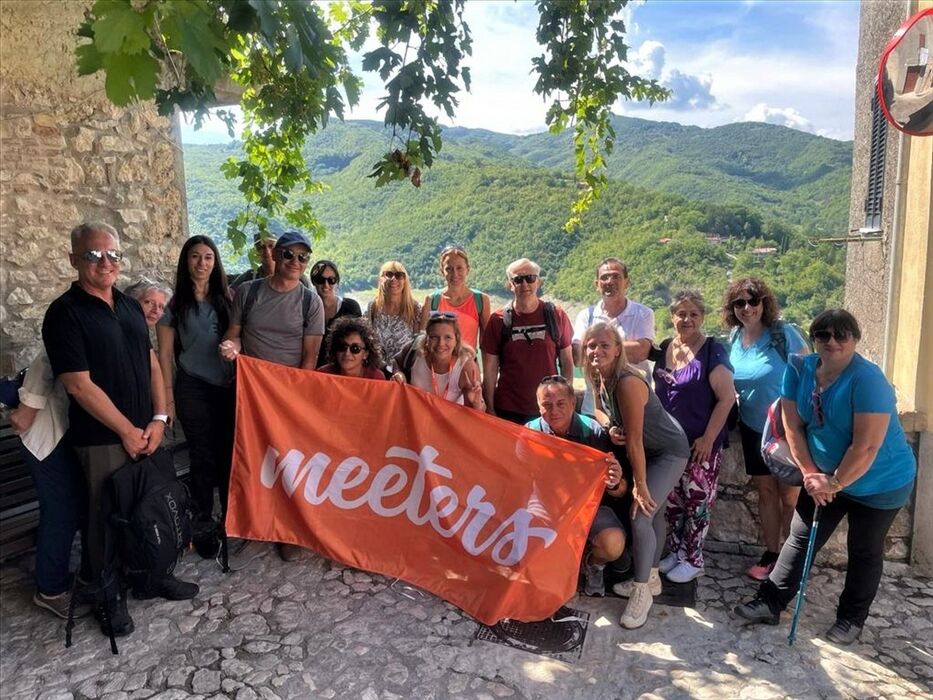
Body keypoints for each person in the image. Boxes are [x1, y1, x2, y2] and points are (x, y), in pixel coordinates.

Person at [42, 222, 197, 637]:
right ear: (74, 259)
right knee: (103, 521)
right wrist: (128, 430)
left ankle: (154, 572)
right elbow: (78, 383)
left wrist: (160, 418)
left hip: (147, 431)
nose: (105, 262)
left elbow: (149, 363)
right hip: (102, 440)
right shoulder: (65, 314)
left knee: (151, 505)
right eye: (94, 255)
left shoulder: (128, 307)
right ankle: (107, 596)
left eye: (113, 255)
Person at [735, 310, 916, 646]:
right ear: (814, 339)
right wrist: (810, 474)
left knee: (863, 549)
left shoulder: (868, 380)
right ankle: (770, 601)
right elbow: (792, 426)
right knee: (800, 538)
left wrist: (835, 483)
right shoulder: (800, 368)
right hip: (822, 477)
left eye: (841, 335)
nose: (831, 342)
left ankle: (851, 619)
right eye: (823, 335)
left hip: (881, 482)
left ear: (855, 339)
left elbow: (866, 446)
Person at [220, 230, 324, 561]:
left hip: (288, 394)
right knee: (252, 459)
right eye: (289, 255)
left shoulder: (310, 301)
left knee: (289, 462)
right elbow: (234, 337)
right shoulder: (249, 294)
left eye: (302, 257)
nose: (295, 262)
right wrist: (229, 347)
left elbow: (310, 357)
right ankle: (255, 526)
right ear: (276, 256)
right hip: (250, 393)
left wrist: (297, 399)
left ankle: (288, 530)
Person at [583, 321, 690, 629]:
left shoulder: (628, 381)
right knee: (653, 515)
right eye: (591, 345)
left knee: (641, 513)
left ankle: (641, 591)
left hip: (667, 451)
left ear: (618, 350)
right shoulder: (597, 374)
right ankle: (652, 576)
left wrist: (640, 485)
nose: (597, 351)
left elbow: (635, 440)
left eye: (605, 345)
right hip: (649, 447)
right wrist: (609, 426)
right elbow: (601, 410)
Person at [724, 277, 809, 581]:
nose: (747, 308)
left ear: (764, 303)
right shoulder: (733, 338)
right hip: (752, 428)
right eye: (740, 303)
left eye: (753, 301)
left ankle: (791, 558)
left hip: (787, 429)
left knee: (790, 497)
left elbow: (808, 373)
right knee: (766, 493)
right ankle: (772, 553)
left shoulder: (783, 334)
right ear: (732, 308)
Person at [156, 235, 235, 559]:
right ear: (185, 261)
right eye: (194, 257)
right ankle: (204, 517)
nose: (201, 263)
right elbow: (163, 357)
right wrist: (168, 401)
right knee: (202, 454)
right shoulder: (174, 305)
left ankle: (231, 516)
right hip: (192, 385)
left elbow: (240, 336)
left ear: (215, 263)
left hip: (227, 386)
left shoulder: (228, 299)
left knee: (229, 451)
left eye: (207, 257)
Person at [652, 291, 735, 583]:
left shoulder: (713, 351)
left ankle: (694, 558)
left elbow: (726, 398)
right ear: (672, 316)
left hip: (700, 445)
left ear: (702, 317)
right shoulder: (665, 348)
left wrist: (708, 438)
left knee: (697, 502)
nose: (687, 319)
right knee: (673, 502)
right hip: (669, 444)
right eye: (681, 314)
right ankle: (676, 552)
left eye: (693, 314)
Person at [525, 375, 627, 597]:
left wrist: (616, 480)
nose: (554, 411)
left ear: (573, 402)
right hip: (547, 505)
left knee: (613, 544)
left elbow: (620, 490)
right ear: (538, 406)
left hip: (588, 506)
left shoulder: (594, 431)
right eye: (547, 405)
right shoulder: (529, 434)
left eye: (561, 403)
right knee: (527, 542)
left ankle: (593, 565)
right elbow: (517, 481)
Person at [9, 352, 89, 620]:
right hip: (46, 435)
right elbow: (48, 360)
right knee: (60, 512)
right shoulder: (68, 323)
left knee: (70, 508)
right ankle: (50, 590)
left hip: (60, 433)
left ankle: (55, 577)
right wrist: (28, 409)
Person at [481, 258, 574, 425]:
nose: (524, 284)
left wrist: (567, 401)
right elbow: (489, 370)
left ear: (537, 281)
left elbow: (567, 361)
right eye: (517, 279)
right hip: (508, 409)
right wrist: (490, 407)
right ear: (510, 284)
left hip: (548, 409)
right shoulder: (498, 320)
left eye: (530, 278)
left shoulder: (556, 315)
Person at [573, 258, 655, 415]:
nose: (610, 281)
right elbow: (578, 355)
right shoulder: (586, 316)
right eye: (604, 277)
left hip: (634, 409)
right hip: (594, 408)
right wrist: (617, 349)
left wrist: (594, 349)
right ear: (596, 284)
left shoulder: (643, 313)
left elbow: (641, 353)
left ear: (627, 282)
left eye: (616, 276)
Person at [392, 312, 484, 409]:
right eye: (434, 337)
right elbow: (397, 361)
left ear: (456, 339)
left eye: (447, 337)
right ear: (426, 339)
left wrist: (476, 404)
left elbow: (475, 415)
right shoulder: (415, 351)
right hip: (415, 419)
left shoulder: (466, 368)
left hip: (447, 422)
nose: (441, 343)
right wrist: (399, 374)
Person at [419, 246, 491, 353]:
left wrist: (486, 369)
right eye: (449, 269)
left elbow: (487, 343)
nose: (455, 274)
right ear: (442, 271)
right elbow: (422, 341)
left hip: (467, 364)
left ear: (468, 269)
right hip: (439, 365)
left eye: (459, 268)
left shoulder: (480, 300)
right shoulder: (432, 300)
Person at [367, 261, 422, 366]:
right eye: (388, 274)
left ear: (405, 281)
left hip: (404, 373)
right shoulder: (372, 307)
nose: (393, 279)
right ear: (381, 279)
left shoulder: (415, 309)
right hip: (378, 372)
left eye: (399, 275)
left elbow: (418, 348)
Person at [309, 259, 362, 368]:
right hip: (313, 369)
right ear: (314, 281)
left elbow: (359, 342)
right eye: (320, 280)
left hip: (342, 370)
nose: (326, 285)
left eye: (331, 280)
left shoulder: (350, 308)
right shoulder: (306, 308)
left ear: (337, 281)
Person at [230, 231, 311, 291]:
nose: (267, 252)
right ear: (256, 252)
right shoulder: (250, 276)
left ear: (277, 251)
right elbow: (228, 294)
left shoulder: (301, 280)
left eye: (271, 246)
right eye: (261, 247)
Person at [318, 316, 387, 380]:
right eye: (342, 346)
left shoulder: (376, 378)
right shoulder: (322, 375)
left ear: (365, 354)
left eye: (355, 348)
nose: (347, 353)